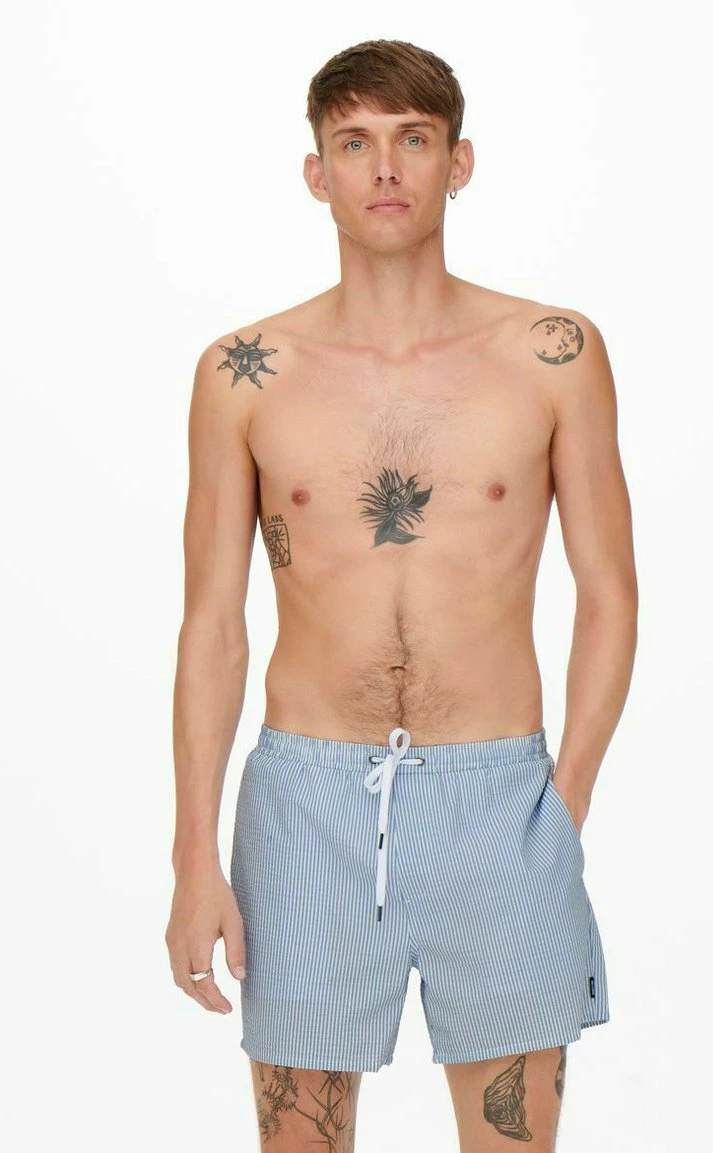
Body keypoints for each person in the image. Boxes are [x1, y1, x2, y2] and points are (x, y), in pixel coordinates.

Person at [165, 37, 638, 1153]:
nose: (384, 168)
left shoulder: (551, 353)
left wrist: (560, 805)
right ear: (316, 172)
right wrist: (192, 854)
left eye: (413, 139)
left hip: (500, 794)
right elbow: (213, 625)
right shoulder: (245, 372)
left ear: (457, 162)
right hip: (305, 801)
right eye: (354, 143)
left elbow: (610, 591)